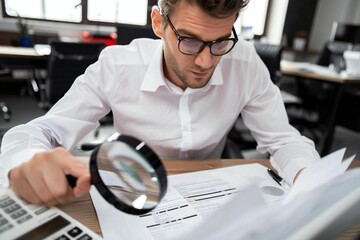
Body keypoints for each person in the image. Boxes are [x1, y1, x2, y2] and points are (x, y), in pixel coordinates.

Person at [0, 0, 320, 206]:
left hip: (207, 196)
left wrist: (310, 179)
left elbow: (284, 139)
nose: (206, 61)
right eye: (190, 40)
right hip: (132, 189)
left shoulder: (245, 63)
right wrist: (27, 161)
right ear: (158, 23)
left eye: (221, 41)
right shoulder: (118, 66)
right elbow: (39, 131)